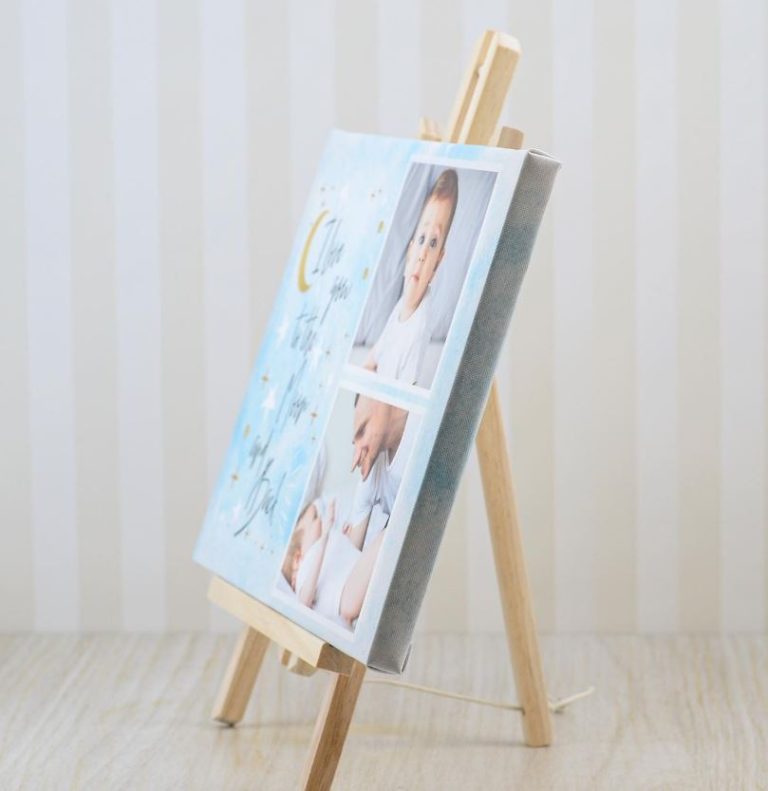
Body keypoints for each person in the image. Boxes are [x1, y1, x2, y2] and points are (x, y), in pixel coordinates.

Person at [363, 169, 459, 386]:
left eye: (433, 243)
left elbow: (401, 399)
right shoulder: (402, 306)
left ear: (437, 264)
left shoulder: (418, 330)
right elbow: (372, 358)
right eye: (422, 239)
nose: (423, 254)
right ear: (409, 252)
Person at [280, 495, 386, 627]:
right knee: (387, 537)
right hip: (346, 597)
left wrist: (343, 540)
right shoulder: (304, 569)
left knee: (387, 539)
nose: (319, 520)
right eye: (314, 518)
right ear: (297, 559)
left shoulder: (322, 547)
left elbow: (342, 562)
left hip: (352, 581)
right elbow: (304, 601)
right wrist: (324, 536)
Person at [341, 394, 417, 551]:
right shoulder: (372, 469)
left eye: (363, 431)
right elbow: (350, 551)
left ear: (382, 403)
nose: (358, 455)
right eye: (356, 441)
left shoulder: (422, 427)